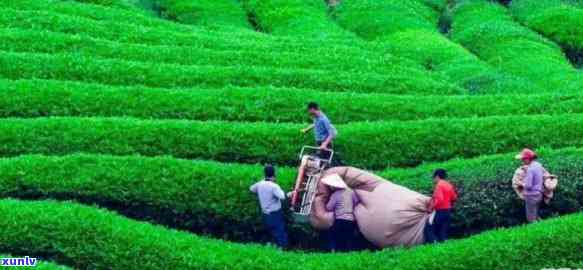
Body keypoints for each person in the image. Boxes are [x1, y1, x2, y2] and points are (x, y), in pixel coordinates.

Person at [249, 165, 289, 248]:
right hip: (275, 214)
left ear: (265, 174)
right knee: (280, 233)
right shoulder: (274, 186)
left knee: (270, 232)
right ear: (274, 175)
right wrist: (289, 194)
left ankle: (272, 249)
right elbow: (282, 196)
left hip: (265, 213)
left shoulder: (260, 184)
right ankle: (283, 250)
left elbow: (251, 189)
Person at [323, 174, 359, 252]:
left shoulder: (335, 195)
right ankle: (348, 252)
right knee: (348, 238)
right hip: (351, 220)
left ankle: (333, 251)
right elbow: (356, 201)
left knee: (333, 235)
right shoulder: (351, 192)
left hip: (340, 219)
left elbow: (329, 207)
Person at [427, 169, 457, 243]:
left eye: (433, 178)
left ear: (437, 176)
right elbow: (454, 197)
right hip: (448, 211)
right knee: (443, 231)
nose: (433, 180)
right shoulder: (449, 185)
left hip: (440, 211)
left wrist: (430, 208)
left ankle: (434, 243)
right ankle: (443, 245)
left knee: (429, 227)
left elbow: (439, 199)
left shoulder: (439, 185)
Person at [515, 148, 544, 223]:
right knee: (536, 215)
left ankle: (537, 233)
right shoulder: (538, 165)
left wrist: (520, 183)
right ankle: (543, 228)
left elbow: (528, 186)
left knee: (531, 219)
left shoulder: (530, 170)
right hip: (539, 194)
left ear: (528, 159)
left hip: (531, 196)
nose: (522, 161)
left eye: (523, 159)